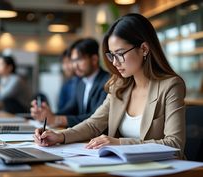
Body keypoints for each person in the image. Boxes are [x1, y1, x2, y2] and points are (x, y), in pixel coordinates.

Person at [33, 13, 186, 158]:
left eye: (120, 53)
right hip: (123, 166)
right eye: (112, 55)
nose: (114, 62)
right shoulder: (119, 85)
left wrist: (119, 143)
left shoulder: (170, 86)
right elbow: (93, 124)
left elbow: (174, 144)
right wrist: (60, 136)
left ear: (144, 49)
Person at [31, 38, 110, 128]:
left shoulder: (107, 82)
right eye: (73, 61)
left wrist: (56, 119)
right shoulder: (80, 82)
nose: (75, 65)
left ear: (94, 59)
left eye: (79, 60)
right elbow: (70, 109)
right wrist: (47, 115)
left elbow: (96, 118)